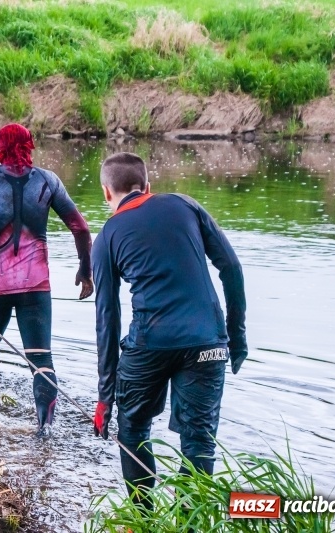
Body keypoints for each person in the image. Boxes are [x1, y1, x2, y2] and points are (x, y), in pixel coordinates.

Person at [91, 152, 247, 504]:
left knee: (132, 431)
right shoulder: (185, 204)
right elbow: (232, 269)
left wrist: (105, 396)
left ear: (106, 193)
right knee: (199, 440)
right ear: (148, 186)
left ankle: (142, 519)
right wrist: (236, 339)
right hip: (209, 341)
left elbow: (107, 317)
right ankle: (191, 524)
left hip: (150, 343)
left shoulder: (106, 238)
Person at [0, 123, 93, 437]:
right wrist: (85, 270)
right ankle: (44, 432)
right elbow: (80, 228)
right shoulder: (48, 181)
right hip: (35, 288)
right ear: (30, 147)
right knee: (41, 360)